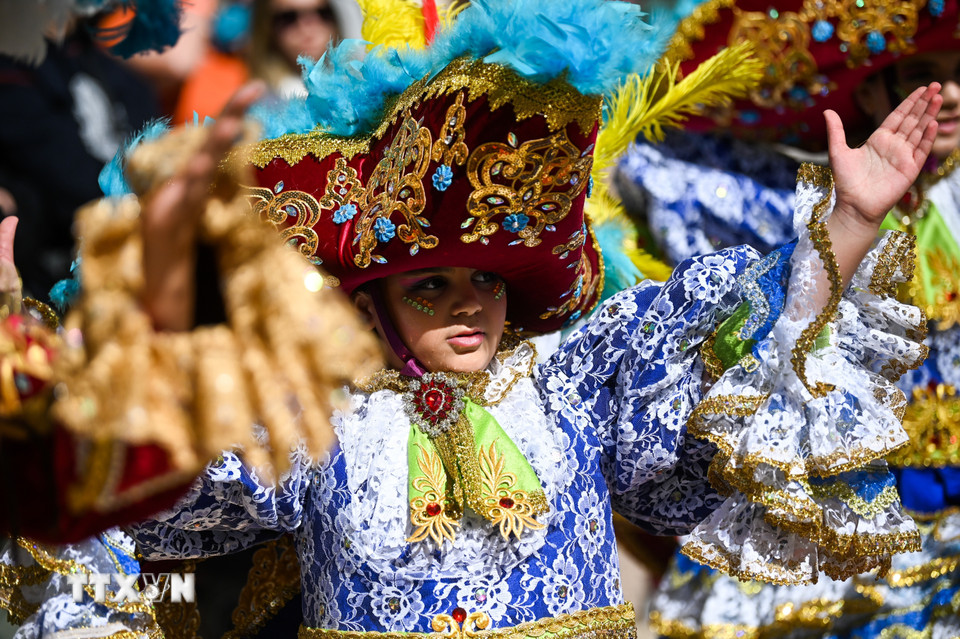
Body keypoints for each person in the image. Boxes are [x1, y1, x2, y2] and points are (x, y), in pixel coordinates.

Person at [71, 1, 939, 636]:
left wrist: (849, 221)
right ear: (369, 302)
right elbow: (161, 471)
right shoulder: (318, 417)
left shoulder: (570, 384)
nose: (466, 303)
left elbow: (733, 344)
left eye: (484, 278)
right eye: (429, 285)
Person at [639, 0, 960, 636]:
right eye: (924, 76)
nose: (948, 95)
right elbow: (652, 158)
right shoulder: (808, 200)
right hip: (851, 492)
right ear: (869, 92)